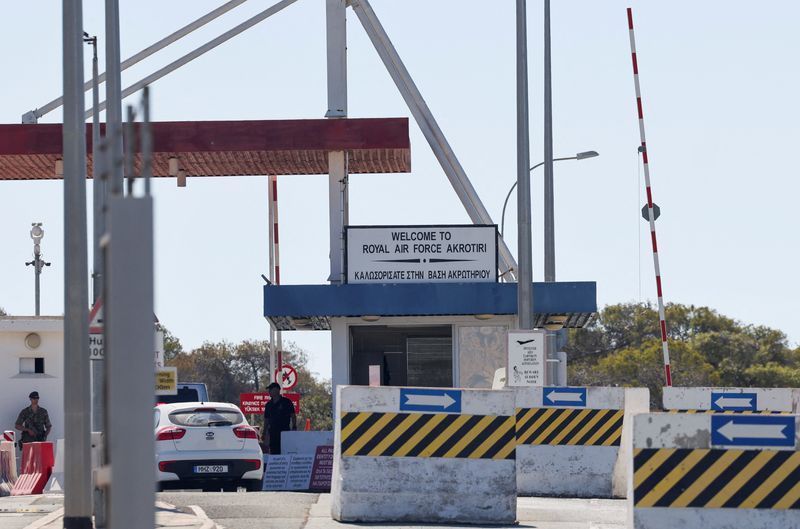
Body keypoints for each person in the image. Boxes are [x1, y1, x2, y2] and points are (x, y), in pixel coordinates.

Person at [262, 382, 296, 455]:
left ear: (277, 390)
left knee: (284, 450)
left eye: (271, 389)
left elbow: (293, 415)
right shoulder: (268, 405)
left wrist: (294, 426)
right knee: (274, 451)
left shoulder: (286, 402)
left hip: (284, 431)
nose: (269, 392)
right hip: (273, 432)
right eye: (269, 390)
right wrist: (264, 432)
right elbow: (266, 419)